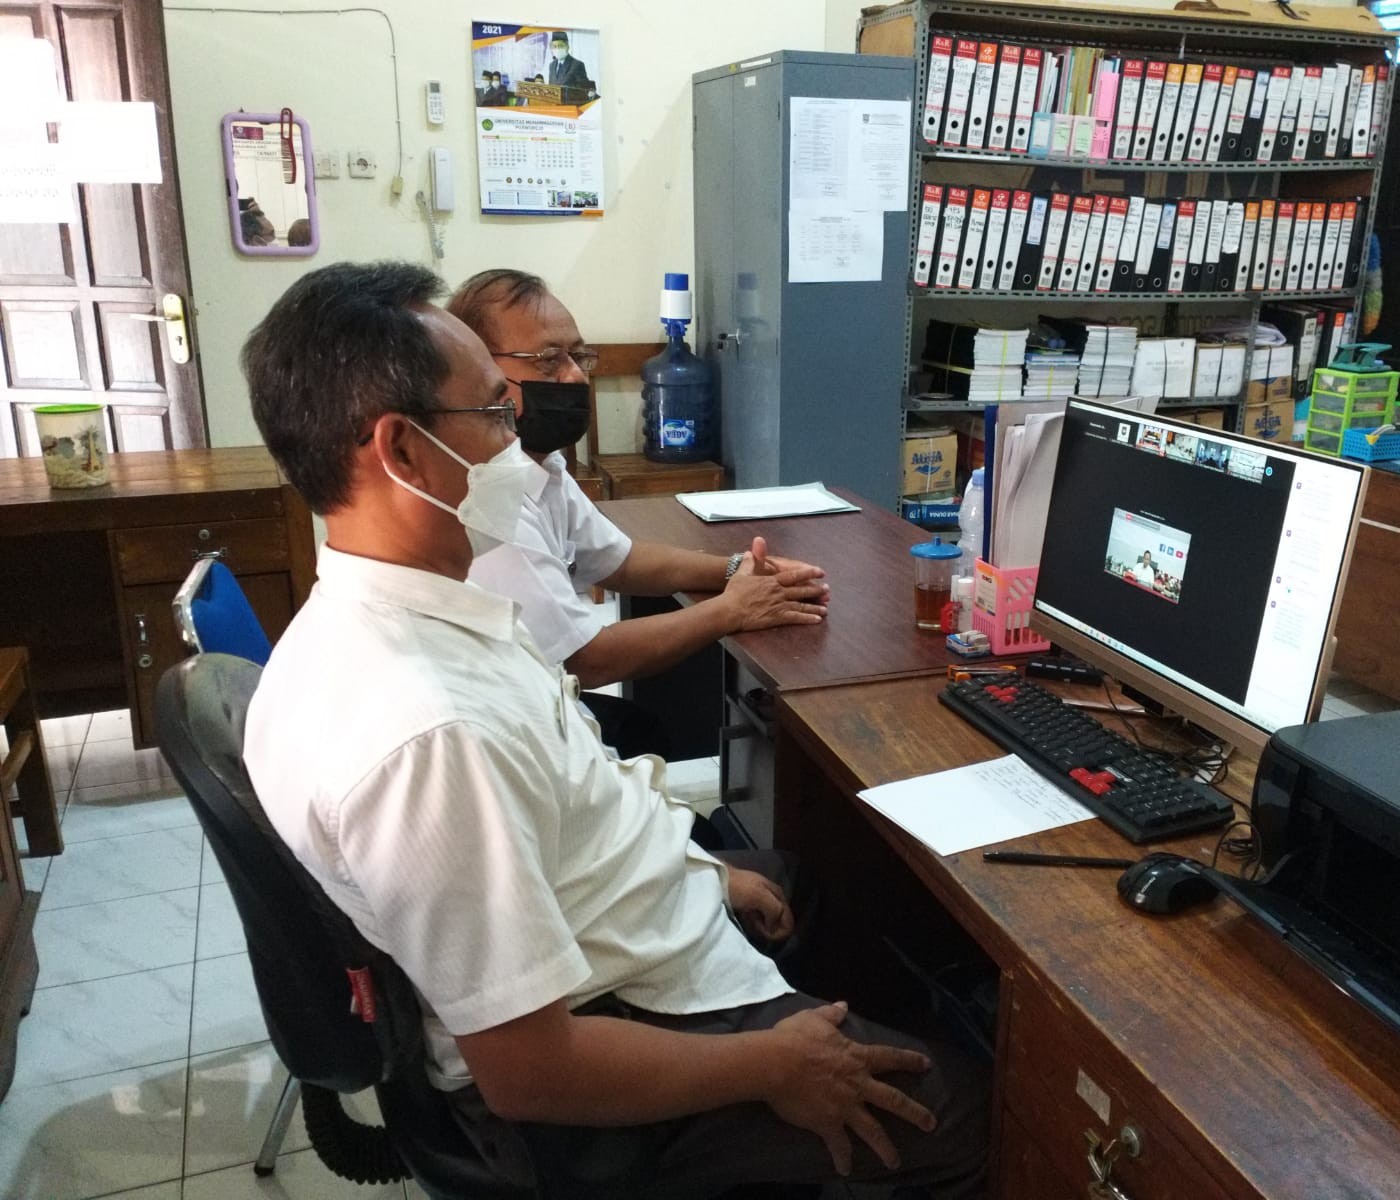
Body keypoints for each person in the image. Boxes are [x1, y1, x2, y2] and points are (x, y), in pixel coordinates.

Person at [240, 260, 987, 1198]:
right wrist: (770, 1066)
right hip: (602, 1067)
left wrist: (702, 869)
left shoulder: (412, 612)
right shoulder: (427, 731)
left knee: (834, 896)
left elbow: (569, 800)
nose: (521, 439)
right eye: (495, 415)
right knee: (967, 1119)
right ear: (401, 452)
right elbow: (528, 1070)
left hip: (626, 931)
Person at [447, 268, 829, 759]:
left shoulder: (542, 467)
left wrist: (736, 569)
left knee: (646, 730)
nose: (576, 377)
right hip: (509, 737)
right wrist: (732, 609)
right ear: (480, 374)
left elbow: (618, 560)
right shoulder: (488, 495)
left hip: (543, 707)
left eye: (579, 356)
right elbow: (585, 659)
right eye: (548, 361)